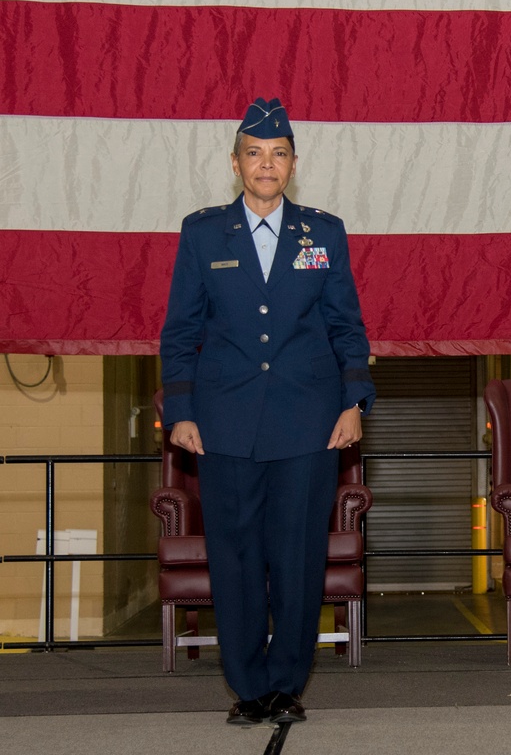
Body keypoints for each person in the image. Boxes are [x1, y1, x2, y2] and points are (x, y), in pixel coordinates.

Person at [159, 98, 376, 725]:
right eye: (254, 153)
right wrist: (182, 410)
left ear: (292, 165)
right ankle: (247, 687)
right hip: (222, 424)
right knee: (235, 556)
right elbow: (180, 331)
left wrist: (354, 401)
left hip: (309, 421)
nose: (266, 164)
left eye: (278, 154)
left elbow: (347, 327)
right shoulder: (203, 232)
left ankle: (287, 683)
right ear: (236, 163)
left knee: (299, 555)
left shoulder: (322, 232)